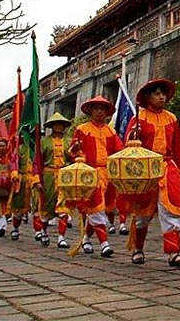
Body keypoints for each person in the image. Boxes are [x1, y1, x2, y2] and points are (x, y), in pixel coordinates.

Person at [123, 78, 180, 267]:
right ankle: (138, 249)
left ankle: (173, 253)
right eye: (157, 93)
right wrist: (133, 137)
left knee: (171, 210)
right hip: (145, 170)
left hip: (168, 168)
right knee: (143, 214)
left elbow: (177, 147)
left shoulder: (171, 118)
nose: (161, 97)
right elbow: (127, 148)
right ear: (148, 96)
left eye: (163, 93)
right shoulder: (138, 118)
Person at [69, 96, 123, 258]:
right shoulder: (82, 129)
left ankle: (86, 238)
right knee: (97, 208)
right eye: (96, 108)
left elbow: (119, 151)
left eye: (102, 109)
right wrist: (76, 149)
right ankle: (104, 243)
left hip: (107, 174)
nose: (99, 112)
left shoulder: (111, 131)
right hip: (90, 174)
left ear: (107, 112)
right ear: (90, 111)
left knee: (99, 209)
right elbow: (72, 151)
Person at [37, 112, 72, 248]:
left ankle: (61, 237)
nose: (58, 126)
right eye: (55, 124)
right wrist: (37, 180)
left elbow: (73, 158)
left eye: (60, 124)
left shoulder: (69, 141)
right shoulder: (44, 141)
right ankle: (44, 231)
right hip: (48, 176)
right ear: (51, 126)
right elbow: (38, 162)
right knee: (47, 205)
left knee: (64, 207)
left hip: (64, 175)